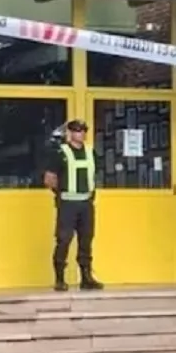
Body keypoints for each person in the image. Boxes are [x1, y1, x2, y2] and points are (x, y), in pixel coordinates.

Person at [42, 119, 104, 292]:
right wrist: (60, 193)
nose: (81, 133)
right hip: (67, 203)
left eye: (83, 130)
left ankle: (86, 277)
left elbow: (95, 174)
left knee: (86, 240)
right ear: (69, 133)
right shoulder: (60, 152)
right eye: (77, 130)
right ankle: (60, 279)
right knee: (64, 240)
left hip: (86, 203)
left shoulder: (91, 152)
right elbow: (49, 178)